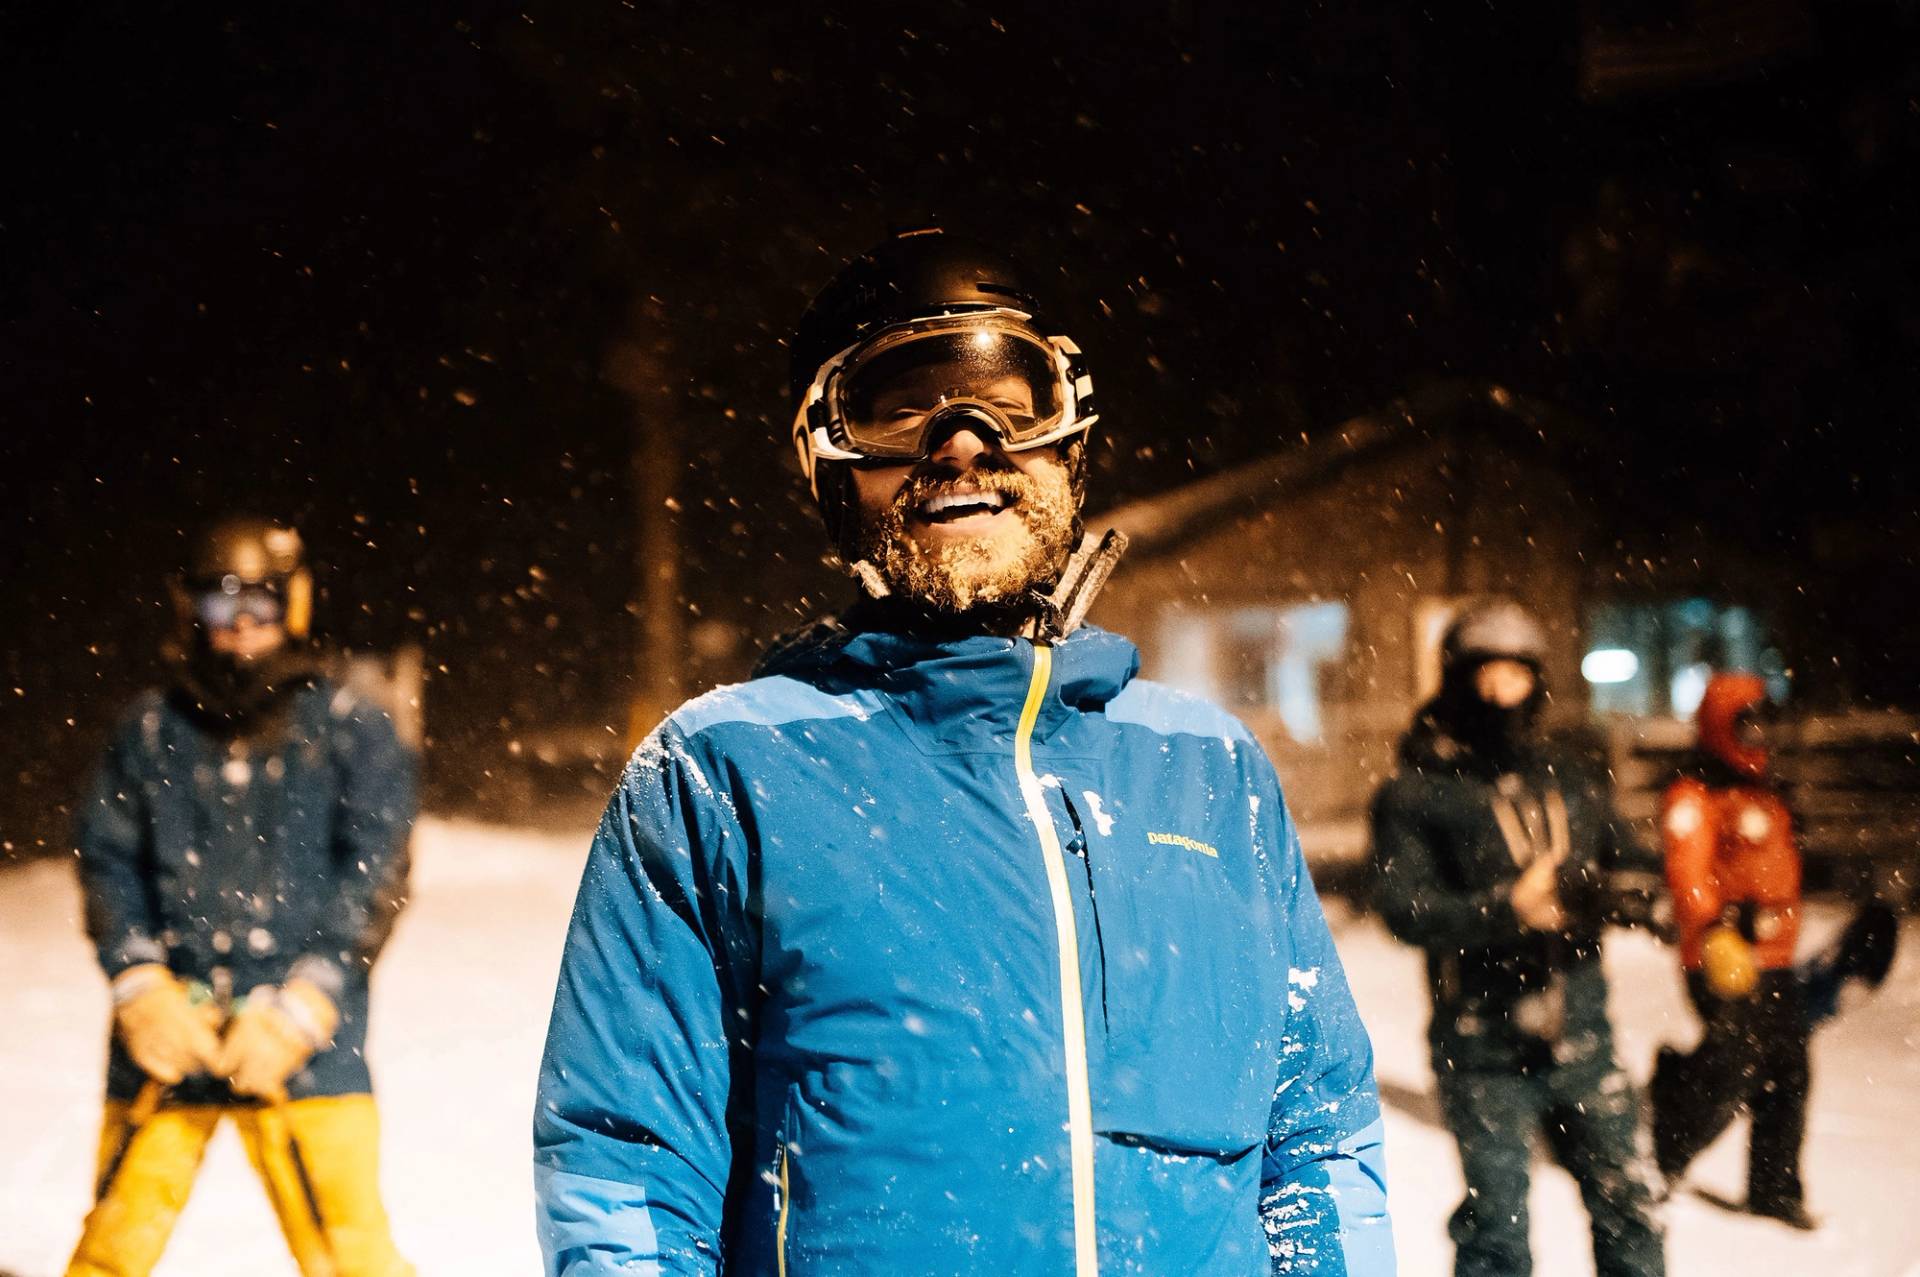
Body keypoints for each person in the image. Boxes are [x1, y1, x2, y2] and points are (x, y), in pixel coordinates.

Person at [533, 227, 1393, 1275]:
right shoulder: (723, 775)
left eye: (1009, 399)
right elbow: (627, 1169)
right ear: (830, 461)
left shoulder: (1208, 768)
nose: (963, 444)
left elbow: (1318, 1135)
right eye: (899, 406)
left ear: (1071, 441)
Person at [67, 517, 416, 1277]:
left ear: (293, 603)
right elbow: (107, 860)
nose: (243, 623)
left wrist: (308, 1001)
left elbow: (379, 871)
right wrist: (139, 983)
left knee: (352, 1255)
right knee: (111, 1249)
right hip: (169, 1034)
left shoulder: (349, 724)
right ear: (190, 609)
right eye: (221, 604)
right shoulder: (150, 729)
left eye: (260, 599)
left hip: (306, 1044)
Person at [1371, 600, 1665, 1277]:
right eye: (1489, 676)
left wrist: (1621, 894)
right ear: (1458, 678)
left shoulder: (1569, 775)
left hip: (1583, 1031)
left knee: (1631, 1204)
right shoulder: (1420, 790)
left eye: (1520, 676)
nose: (1505, 694)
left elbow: (1632, 859)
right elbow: (1404, 907)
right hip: (1483, 1043)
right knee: (1498, 1230)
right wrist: (1506, 908)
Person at [1646, 671, 1842, 1229]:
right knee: (1733, 1066)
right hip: (1721, 956)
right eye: (1746, 722)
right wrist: (1714, 927)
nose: (1758, 734)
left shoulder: (1764, 789)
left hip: (1775, 959)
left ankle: (1773, 1188)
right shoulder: (1695, 790)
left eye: (1764, 722)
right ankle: (1662, 1154)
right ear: (1719, 724)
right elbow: (1686, 869)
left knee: (1789, 1071)